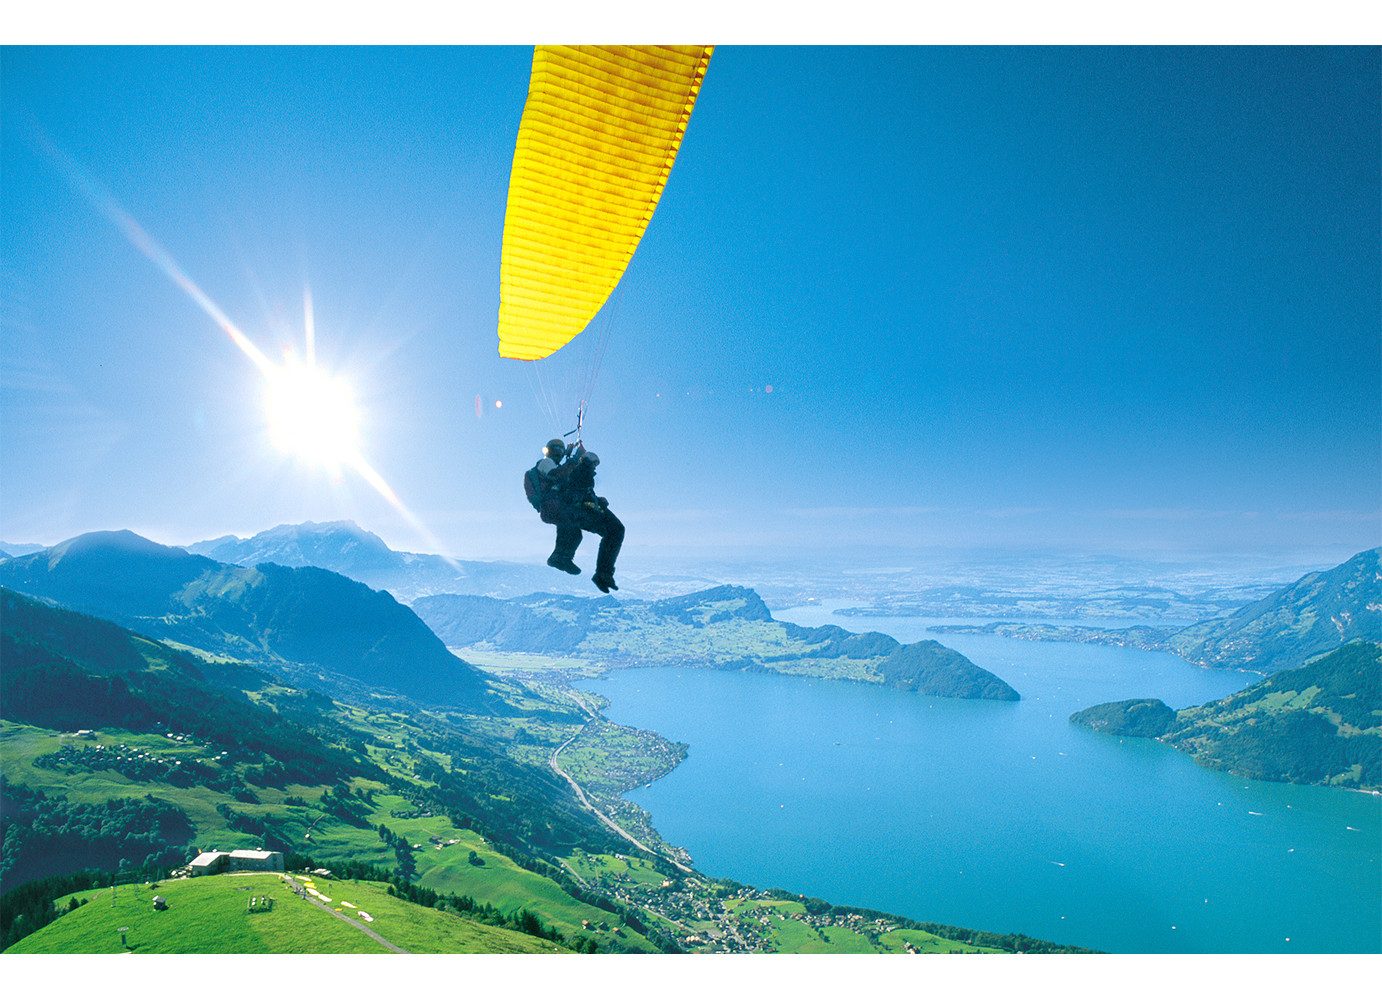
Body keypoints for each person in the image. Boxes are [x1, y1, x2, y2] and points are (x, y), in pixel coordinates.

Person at [545, 441, 624, 593]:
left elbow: (581, 489)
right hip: (578, 509)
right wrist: (580, 459)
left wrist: (598, 499)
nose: (595, 466)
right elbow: (577, 486)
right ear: (587, 462)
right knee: (615, 530)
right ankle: (602, 574)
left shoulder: (578, 472)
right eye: (593, 463)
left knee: (613, 531)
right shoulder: (579, 471)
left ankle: (601, 573)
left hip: (577, 508)